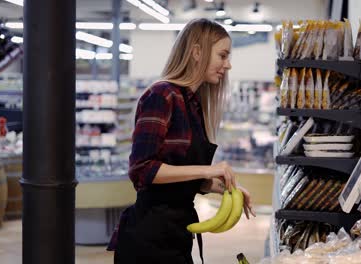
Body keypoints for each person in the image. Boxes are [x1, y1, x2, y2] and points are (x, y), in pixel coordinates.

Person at [107, 18, 255, 264]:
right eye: (222, 55)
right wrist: (209, 169)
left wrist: (223, 188)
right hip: (149, 237)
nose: (227, 65)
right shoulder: (162, 95)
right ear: (197, 52)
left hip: (177, 232)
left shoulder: (193, 104)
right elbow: (142, 170)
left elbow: (178, 179)